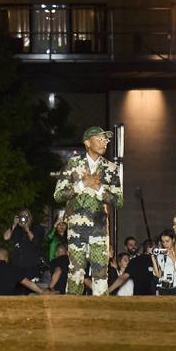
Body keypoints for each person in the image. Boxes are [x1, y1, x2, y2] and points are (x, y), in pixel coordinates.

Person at [53, 126, 123, 296]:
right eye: (99, 139)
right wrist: (82, 185)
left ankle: (100, 314)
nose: (104, 142)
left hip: (99, 228)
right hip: (77, 228)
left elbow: (119, 201)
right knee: (76, 273)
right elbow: (58, 195)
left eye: (105, 140)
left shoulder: (111, 168)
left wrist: (99, 189)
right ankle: (73, 312)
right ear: (87, 142)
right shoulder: (72, 164)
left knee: (101, 274)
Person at [3, 209, 45, 283]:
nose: (24, 218)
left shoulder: (37, 228)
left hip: (32, 266)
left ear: (30, 218)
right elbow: (6, 237)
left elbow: (36, 242)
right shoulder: (16, 229)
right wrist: (14, 225)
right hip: (17, 265)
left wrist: (27, 230)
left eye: (26, 216)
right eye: (22, 216)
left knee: (32, 292)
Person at [153, 229, 176, 295]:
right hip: (163, 288)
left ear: (173, 240)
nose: (165, 244)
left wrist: (172, 257)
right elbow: (158, 275)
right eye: (163, 242)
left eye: (167, 241)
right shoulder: (161, 255)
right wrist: (153, 258)